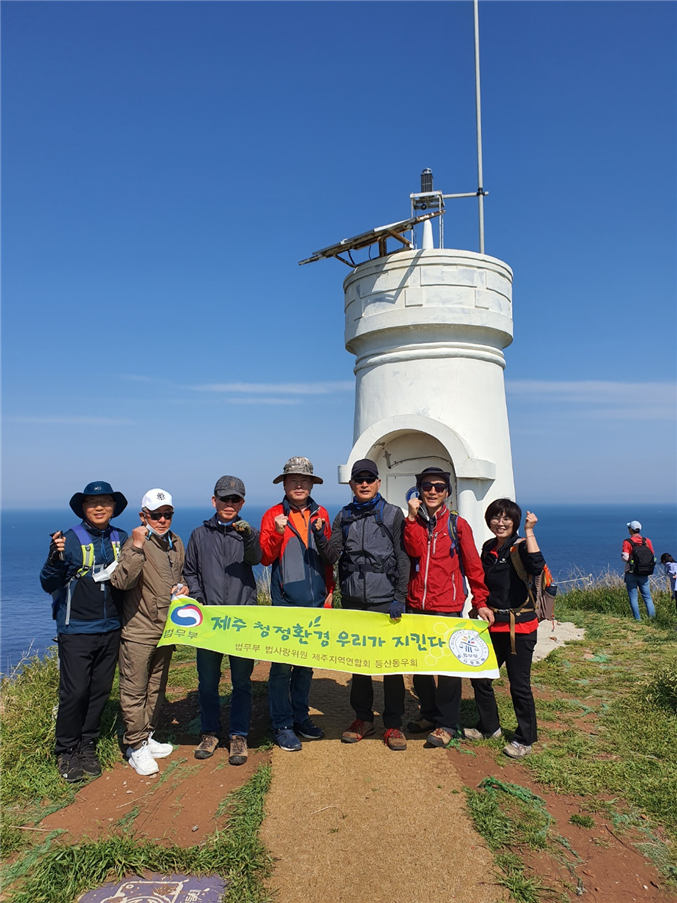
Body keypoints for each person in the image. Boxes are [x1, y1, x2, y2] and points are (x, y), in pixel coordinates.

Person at [317, 459, 411, 750]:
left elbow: (403, 558)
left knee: (391, 665)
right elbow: (332, 555)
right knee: (359, 663)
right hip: (355, 601)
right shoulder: (343, 517)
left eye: (370, 479)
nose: (365, 484)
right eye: (359, 479)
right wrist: (320, 536)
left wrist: (399, 597)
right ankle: (363, 719)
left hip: (386, 602)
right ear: (352, 484)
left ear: (378, 483)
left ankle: (394, 725)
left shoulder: (393, 515)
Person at [40, 481, 129, 782]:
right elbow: (48, 583)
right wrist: (54, 558)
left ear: (114, 507)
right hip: (76, 628)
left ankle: (87, 744)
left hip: (112, 627)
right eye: (93, 503)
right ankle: (66, 750)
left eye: (106, 502)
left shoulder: (122, 537)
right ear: (83, 508)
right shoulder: (68, 539)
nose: (100, 507)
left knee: (100, 690)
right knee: (75, 692)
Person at [403, 467, 492, 749]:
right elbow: (414, 550)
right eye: (427, 486)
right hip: (417, 604)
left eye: (439, 487)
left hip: (448, 606)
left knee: (448, 670)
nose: (432, 491)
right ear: (419, 490)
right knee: (420, 665)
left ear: (448, 492)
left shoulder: (458, 524)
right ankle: (428, 714)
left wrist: (480, 601)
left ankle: (446, 724)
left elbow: (472, 565)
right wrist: (411, 518)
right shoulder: (414, 521)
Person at [183, 476, 262, 766]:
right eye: (224, 498)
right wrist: (199, 599)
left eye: (236, 499)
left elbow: (258, 559)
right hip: (209, 620)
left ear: (242, 503)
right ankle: (210, 732)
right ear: (213, 500)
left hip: (241, 618)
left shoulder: (247, 532)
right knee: (207, 681)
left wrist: (249, 536)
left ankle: (238, 735)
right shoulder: (198, 535)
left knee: (242, 681)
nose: (230, 504)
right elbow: (190, 571)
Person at [260, 456, 334, 752]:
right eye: (293, 480)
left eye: (304, 480)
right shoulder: (273, 515)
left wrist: (330, 592)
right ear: (285, 484)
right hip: (285, 604)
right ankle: (282, 724)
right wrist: (278, 533)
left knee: (305, 665)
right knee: (281, 666)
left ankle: (300, 717)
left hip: (316, 602)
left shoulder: (323, 514)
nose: (299, 485)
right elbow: (265, 557)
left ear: (312, 484)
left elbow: (328, 557)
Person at [111, 489, 186, 776]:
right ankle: (134, 745)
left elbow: (178, 576)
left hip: (166, 628)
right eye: (156, 515)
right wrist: (138, 547)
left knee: (156, 686)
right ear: (143, 516)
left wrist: (184, 586)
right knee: (134, 689)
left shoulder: (176, 542)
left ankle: (147, 736)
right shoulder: (135, 542)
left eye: (167, 514)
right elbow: (122, 581)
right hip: (139, 629)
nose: (163, 519)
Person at [468, 498, 545, 759]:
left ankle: (525, 738)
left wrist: (530, 532)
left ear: (514, 522)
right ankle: (490, 727)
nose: (500, 523)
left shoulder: (520, 547)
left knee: (519, 685)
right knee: (480, 677)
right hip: (492, 625)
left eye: (506, 519)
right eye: (495, 518)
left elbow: (536, 566)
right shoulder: (489, 547)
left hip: (519, 628)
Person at [622, 521, 656, 620]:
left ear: (631, 530)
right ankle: (652, 619)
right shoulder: (647, 541)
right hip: (644, 572)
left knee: (633, 597)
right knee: (647, 597)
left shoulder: (627, 542)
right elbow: (652, 554)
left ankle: (637, 619)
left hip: (631, 572)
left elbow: (625, 557)